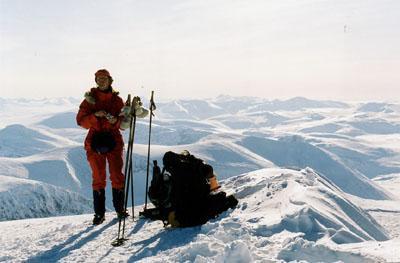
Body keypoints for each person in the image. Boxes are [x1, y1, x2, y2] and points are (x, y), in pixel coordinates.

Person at [76, 69, 142, 225]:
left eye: (104, 78)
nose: (101, 81)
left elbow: (123, 123)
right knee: (98, 176)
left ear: (110, 80)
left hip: (110, 140)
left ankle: (119, 210)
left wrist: (115, 122)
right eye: (99, 78)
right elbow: (81, 121)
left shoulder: (117, 101)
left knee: (116, 175)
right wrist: (95, 116)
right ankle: (100, 214)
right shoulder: (89, 101)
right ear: (96, 80)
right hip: (97, 140)